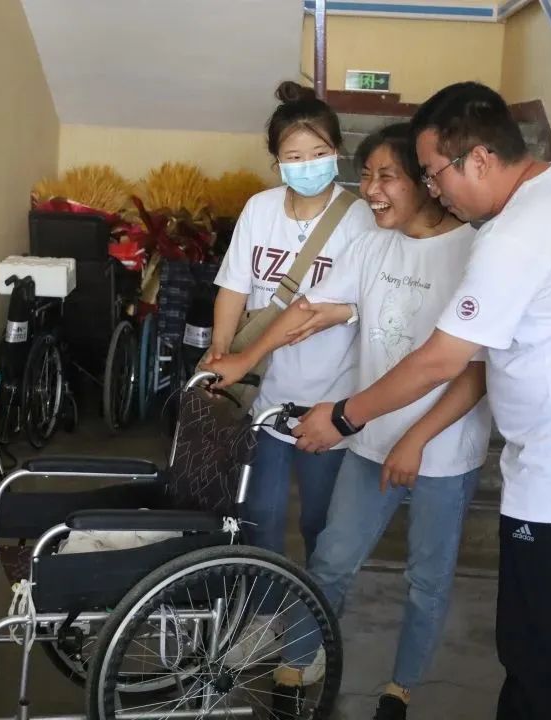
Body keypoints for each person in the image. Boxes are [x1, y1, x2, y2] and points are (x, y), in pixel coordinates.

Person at [289, 82, 551, 720]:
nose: (433, 190)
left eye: (434, 172)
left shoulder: (515, 233)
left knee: (536, 660)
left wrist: (345, 416)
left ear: (481, 159)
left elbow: (443, 360)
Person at [209, 122, 492, 720]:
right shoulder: (373, 245)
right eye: (365, 176)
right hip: (371, 439)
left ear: (425, 181)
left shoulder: (474, 252)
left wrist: (416, 439)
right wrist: (243, 358)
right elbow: (306, 309)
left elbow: (474, 373)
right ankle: (298, 660)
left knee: (426, 579)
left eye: (386, 176)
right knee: (332, 559)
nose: (370, 191)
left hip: (442, 451)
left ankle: (400, 689)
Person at [203, 80, 375, 661]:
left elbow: (370, 298)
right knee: (261, 518)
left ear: (337, 152)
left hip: (330, 399)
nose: (307, 166)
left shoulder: (361, 219)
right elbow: (234, 286)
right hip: (265, 396)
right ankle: (264, 622)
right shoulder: (259, 209)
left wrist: (343, 312)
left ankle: (316, 629)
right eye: (294, 157)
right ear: (276, 160)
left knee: (322, 526)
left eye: (318, 153)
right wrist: (222, 350)